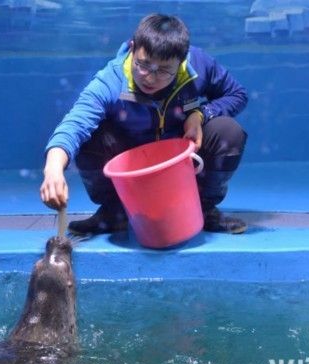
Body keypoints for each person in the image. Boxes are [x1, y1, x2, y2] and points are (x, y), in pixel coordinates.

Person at [40, 13, 248, 235]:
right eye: (144, 64)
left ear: (181, 61)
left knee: (228, 131)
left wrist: (200, 114)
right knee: (90, 135)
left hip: (183, 165)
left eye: (165, 70)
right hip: (131, 167)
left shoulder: (199, 65)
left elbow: (237, 94)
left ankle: (203, 208)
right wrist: (53, 169)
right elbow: (74, 124)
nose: (150, 77)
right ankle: (113, 211)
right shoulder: (111, 79)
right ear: (132, 48)